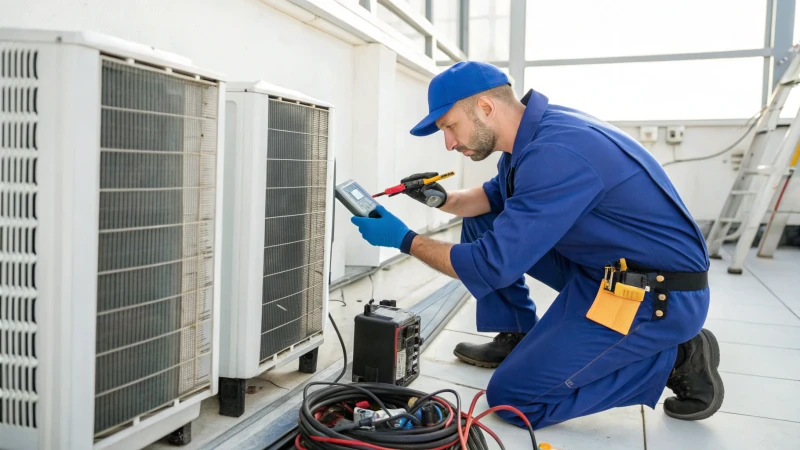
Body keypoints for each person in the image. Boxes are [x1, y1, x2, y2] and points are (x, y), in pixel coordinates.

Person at [349, 61, 724, 429]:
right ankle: (517, 334)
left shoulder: (558, 153)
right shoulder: (531, 137)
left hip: (654, 297)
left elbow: (489, 264)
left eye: (450, 126)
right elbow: (491, 200)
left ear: (485, 107)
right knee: (485, 219)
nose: (448, 143)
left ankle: (677, 358)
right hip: (606, 271)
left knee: (515, 401)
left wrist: (404, 240)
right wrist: (440, 198)